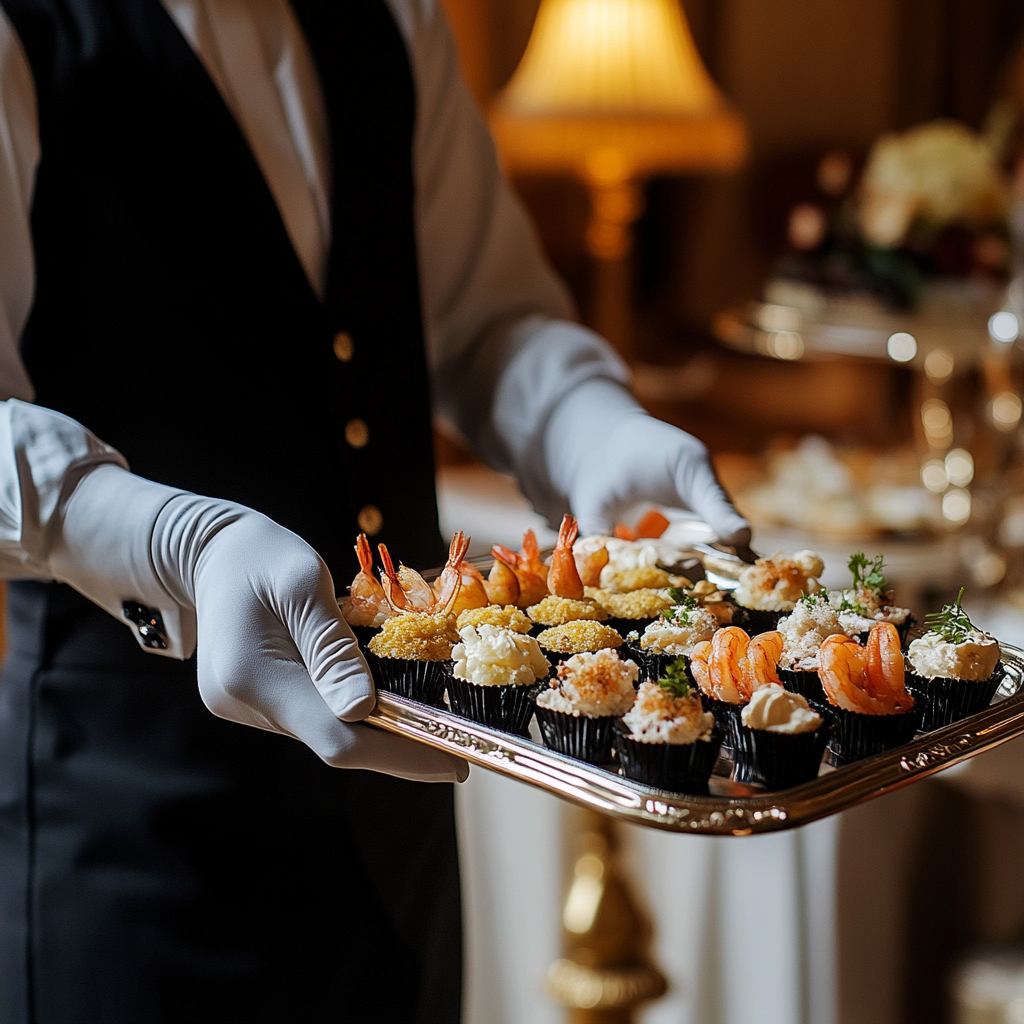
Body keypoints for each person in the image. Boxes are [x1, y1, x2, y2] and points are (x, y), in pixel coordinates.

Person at [0, 1, 751, 1021]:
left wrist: (586, 424)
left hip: (398, 846)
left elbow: (486, 318)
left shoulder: (396, 16)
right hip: (132, 842)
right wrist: (179, 544)